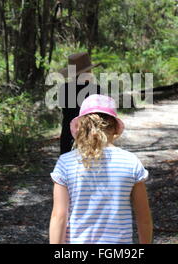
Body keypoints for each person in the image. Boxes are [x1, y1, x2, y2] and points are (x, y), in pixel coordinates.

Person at [49, 94, 153, 244]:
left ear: (81, 128)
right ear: (116, 128)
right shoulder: (130, 162)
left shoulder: (66, 162)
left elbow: (59, 216)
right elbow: (143, 218)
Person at [58, 52, 102, 155]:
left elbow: (66, 111)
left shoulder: (64, 88)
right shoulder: (96, 89)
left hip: (68, 135)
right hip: (91, 135)